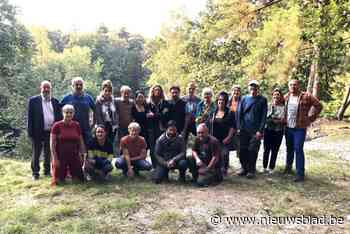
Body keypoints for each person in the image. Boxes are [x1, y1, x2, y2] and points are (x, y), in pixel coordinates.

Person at [284, 79, 322, 182]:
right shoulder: (287, 96)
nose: (293, 86)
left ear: (299, 85)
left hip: (300, 128)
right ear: (288, 86)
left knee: (298, 149)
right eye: (291, 85)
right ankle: (288, 168)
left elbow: (319, 106)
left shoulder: (307, 96)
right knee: (289, 148)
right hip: (288, 127)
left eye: (295, 85)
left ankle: (300, 174)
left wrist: (311, 118)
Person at [27, 81, 62, 180]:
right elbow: (30, 117)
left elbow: (59, 117)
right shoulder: (33, 101)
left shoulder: (55, 101)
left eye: (48, 88)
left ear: (51, 89)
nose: (46, 90)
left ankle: (47, 171)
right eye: (44, 88)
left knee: (48, 151)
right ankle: (35, 173)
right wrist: (30, 132)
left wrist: (58, 131)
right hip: (37, 131)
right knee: (36, 152)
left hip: (51, 132)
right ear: (40, 88)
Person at [238, 80, 267, 179]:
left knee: (253, 150)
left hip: (256, 130)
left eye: (255, 88)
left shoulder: (262, 100)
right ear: (248, 88)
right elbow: (239, 113)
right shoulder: (244, 99)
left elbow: (264, 116)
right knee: (242, 150)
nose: (253, 90)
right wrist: (239, 127)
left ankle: (251, 170)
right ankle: (244, 168)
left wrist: (260, 130)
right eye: (251, 88)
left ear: (258, 89)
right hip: (244, 129)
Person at [50, 104, 86, 185]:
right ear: (63, 113)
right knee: (58, 181)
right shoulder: (56, 125)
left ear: (73, 113)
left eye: (71, 112)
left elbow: (81, 141)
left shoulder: (76, 125)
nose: (69, 114)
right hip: (60, 156)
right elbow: (52, 144)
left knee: (79, 180)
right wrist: (54, 158)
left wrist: (82, 154)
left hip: (74, 155)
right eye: (66, 112)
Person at [207, 91, 236, 176]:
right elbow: (207, 125)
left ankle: (224, 169)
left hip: (224, 139)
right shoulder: (213, 112)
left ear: (226, 101)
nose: (220, 101)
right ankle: (215, 169)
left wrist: (229, 137)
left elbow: (232, 127)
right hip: (213, 139)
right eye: (219, 99)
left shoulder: (230, 112)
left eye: (223, 100)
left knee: (224, 154)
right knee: (214, 154)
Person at [61, 77, 95, 145]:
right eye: (76, 84)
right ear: (72, 86)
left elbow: (96, 111)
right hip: (71, 129)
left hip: (86, 130)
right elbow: (59, 111)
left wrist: (93, 123)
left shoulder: (88, 98)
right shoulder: (66, 98)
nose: (79, 86)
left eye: (81, 85)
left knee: (87, 150)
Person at [146, 85, 171, 168]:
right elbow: (148, 116)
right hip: (151, 129)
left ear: (161, 92)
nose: (157, 91)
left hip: (162, 128)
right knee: (152, 148)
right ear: (152, 91)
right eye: (155, 90)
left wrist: (154, 115)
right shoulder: (148, 103)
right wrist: (158, 115)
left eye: (159, 90)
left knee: (162, 146)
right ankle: (154, 166)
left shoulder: (165, 103)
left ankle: (163, 165)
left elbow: (165, 116)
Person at [262, 88, 285, 174]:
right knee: (266, 149)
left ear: (281, 96)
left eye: (278, 94)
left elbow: (284, 120)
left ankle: (271, 167)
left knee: (275, 150)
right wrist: (275, 120)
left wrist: (277, 120)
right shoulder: (269, 106)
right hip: (268, 130)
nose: (276, 96)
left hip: (279, 131)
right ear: (272, 96)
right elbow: (265, 118)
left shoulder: (284, 107)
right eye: (274, 95)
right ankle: (264, 167)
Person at [115, 85, 134, 155]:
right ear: (121, 93)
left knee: (129, 144)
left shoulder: (132, 102)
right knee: (121, 143)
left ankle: (130, 160)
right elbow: (107, 100)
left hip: (130, 127)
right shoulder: (117, 101)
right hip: (120, 127)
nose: (126, 95)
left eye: (128, 93)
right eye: (124, 93)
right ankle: (121, 160)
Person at [228, 85, 241, 155]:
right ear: (231, 92)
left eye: (238, 91)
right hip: (229, 126)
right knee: (227, 144)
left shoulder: (242, 101)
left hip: (238, 126)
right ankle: (226, 163)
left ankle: (241, 163)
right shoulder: (227, 101)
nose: (236, 92)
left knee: (239, 144)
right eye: (234, 90)